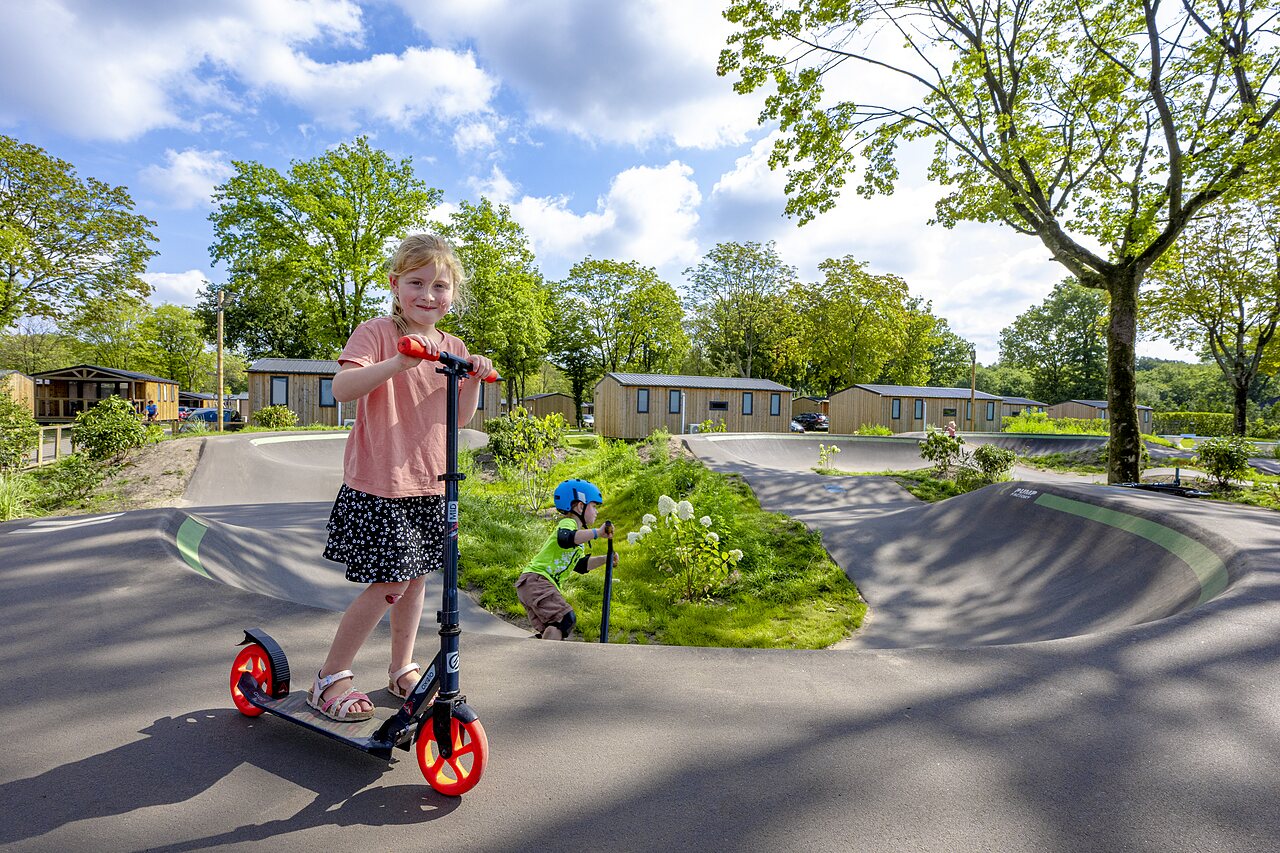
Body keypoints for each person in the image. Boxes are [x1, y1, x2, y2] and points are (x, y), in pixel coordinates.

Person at [309, 234, 494, 723]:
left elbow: (459, 418)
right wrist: (398, 362)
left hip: (431, 482)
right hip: (381, 482)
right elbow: (342, 389)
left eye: (440, 286)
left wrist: (473, 379)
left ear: (452, 295)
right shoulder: (376, 333)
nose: (428, 295)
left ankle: (401, 668)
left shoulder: (453, 348)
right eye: (416, 282)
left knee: (415, 583)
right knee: (390, 582)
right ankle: (329, 678)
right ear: (395, 285)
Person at [514, 479, 618, 640]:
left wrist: (606, 559)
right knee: (565, 618)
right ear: (580, 506)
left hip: (532, 584)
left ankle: (527, 653)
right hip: (537, 580)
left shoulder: (578, 540)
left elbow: (580, 565)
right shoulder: (568, 524)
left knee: (554, 629)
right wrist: (597, 532)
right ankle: (544, 656)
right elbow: (565, 538)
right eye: (594, 506)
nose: (596, 512)